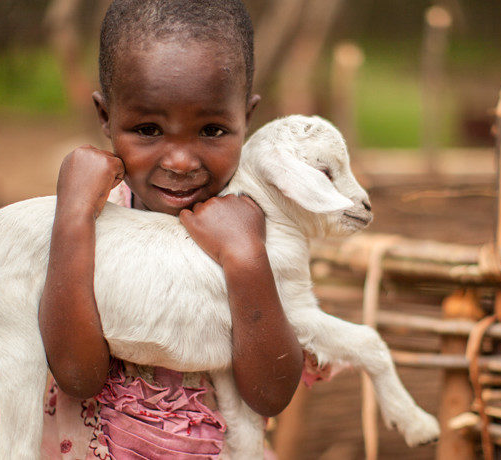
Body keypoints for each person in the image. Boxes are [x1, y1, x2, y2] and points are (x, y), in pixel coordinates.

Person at [37, 0, 306, 457]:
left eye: (213, 130)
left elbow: (271, 395)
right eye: (147, 129)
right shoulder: (92, 221)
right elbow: (78, 376)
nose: (180, 161)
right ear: (106, 118)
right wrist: (73, 219)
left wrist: (244, 259)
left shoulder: (257, 229)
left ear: (247, 117)